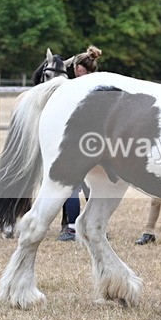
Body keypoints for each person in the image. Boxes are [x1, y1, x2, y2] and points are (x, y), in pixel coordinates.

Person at [57, 46, 101, 241]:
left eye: (75, 67)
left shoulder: (76, 87)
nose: (74, 70)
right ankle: (96, 225)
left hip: (77, 142)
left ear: (81, 68)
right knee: (92, 186)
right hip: (96, 143)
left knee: (72, 187)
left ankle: (72, 228)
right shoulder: (100, 85)